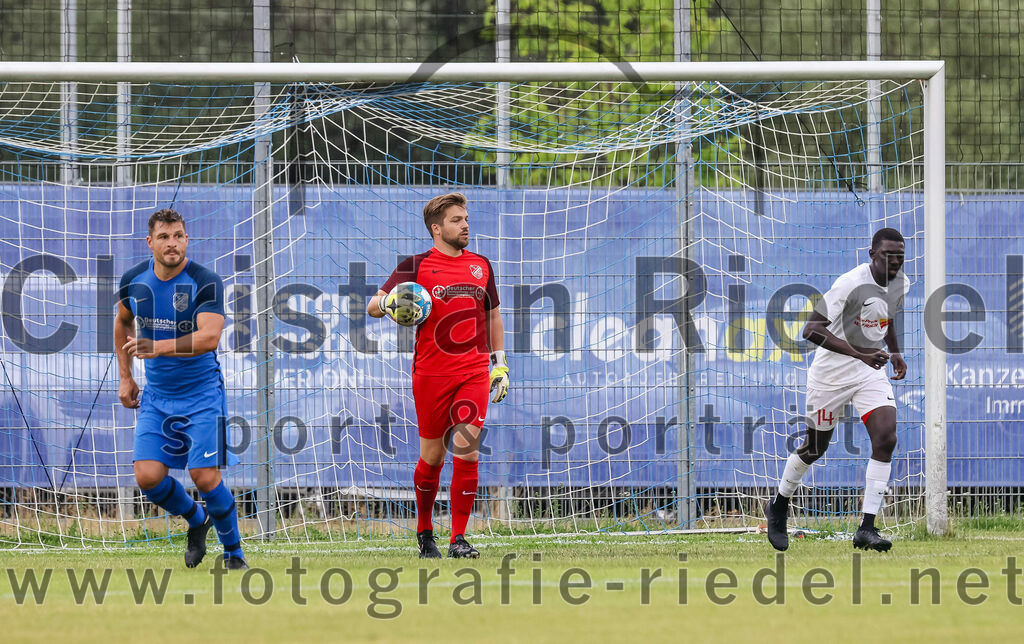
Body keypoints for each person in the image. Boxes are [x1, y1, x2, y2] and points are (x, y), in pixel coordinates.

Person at [367, 192, 508, 559]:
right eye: (457, 220)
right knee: (432, 457)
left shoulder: (481, 265)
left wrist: (500, 363)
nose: (465, 225)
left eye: (466, 218)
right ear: (436, 228)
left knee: (467, 448)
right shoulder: (415, 266)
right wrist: (391, 303)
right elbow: (372, 306)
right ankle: (425, 531)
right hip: (430, 373)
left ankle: (458, 539)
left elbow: (492, 315)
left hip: (474, 370)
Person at [115, 208, 247, 570]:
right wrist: (126, 376)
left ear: (187, 239)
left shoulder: (204, 281)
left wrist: (158, 346)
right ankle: (196, 520)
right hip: (157, 397)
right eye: (163, 237)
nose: (171, 244)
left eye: (177, 236)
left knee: (204, 476)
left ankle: (234, 554)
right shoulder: (134, 281)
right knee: (148, 476)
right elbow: (123, 322)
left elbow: (209, 337)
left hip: (203, 394)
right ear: (150, 242)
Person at [765, 227, 909, 552]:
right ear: (872, 255)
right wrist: (860, 352)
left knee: (886, 438)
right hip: (830, 375)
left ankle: (867, 528)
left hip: (868, 372)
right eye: (888, 255)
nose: (895, 262)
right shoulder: (850, 283)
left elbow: (886, 317)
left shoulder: (901, 283)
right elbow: (810, 330)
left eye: (900, 256)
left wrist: (895, 352)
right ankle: (778, 505)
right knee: (815, 448)